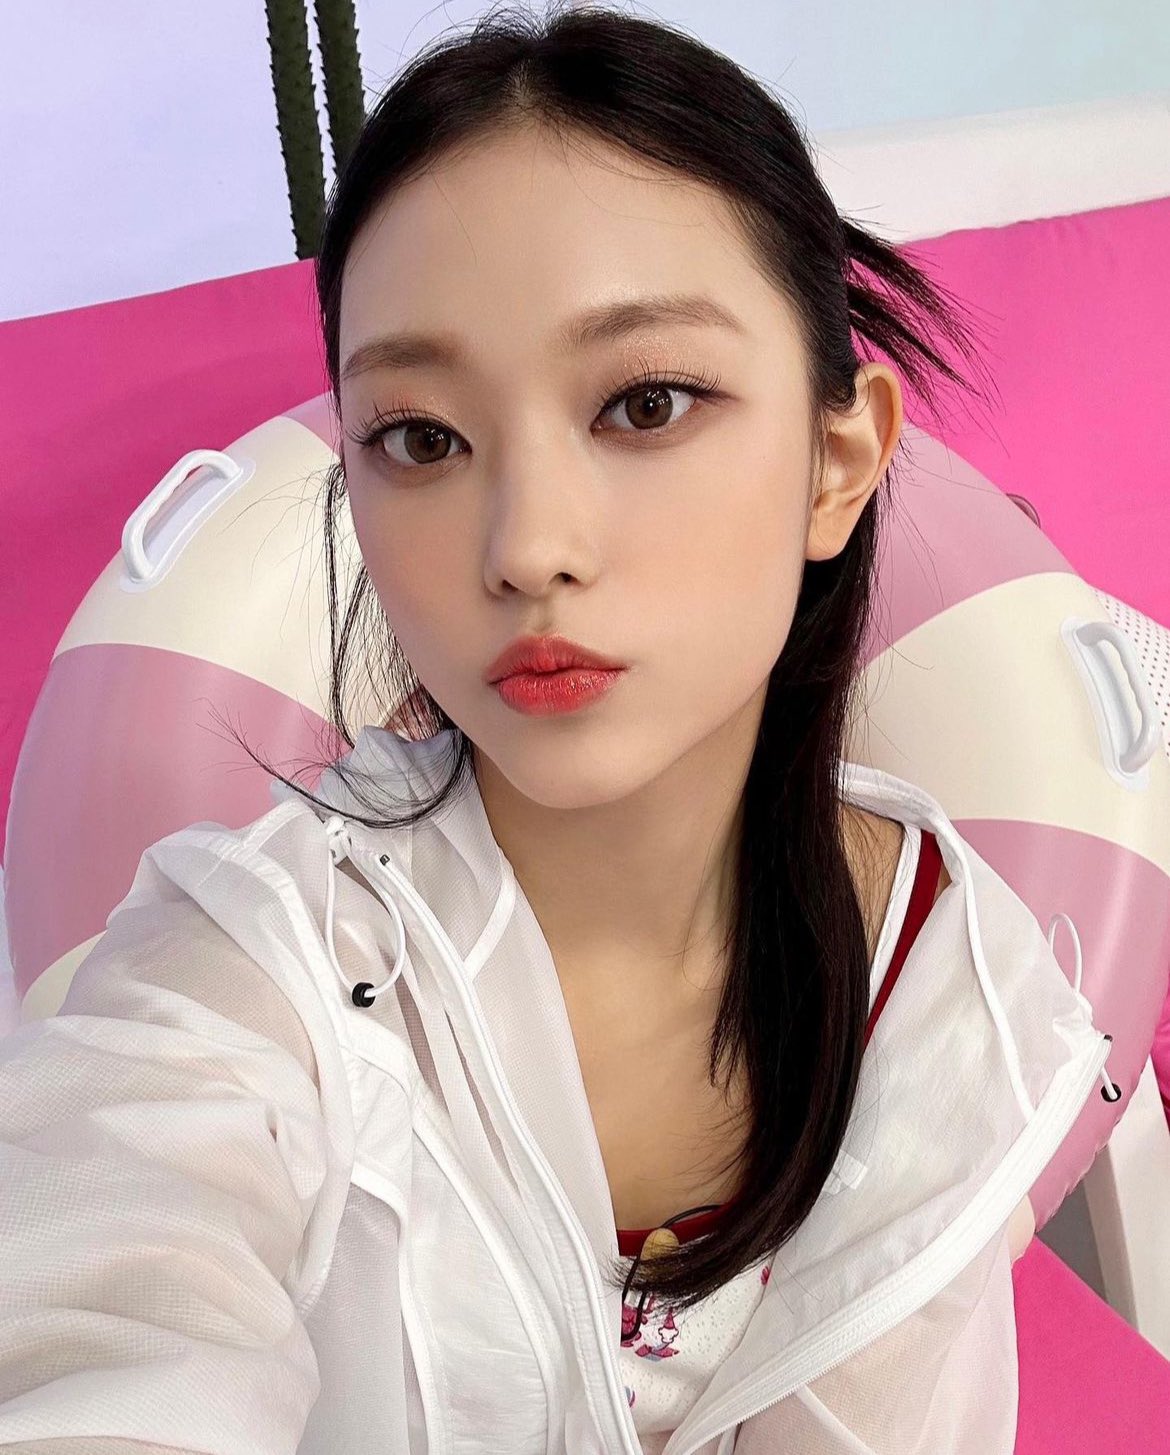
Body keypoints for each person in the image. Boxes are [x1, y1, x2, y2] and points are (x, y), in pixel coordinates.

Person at [0, 5, 1110, 1452]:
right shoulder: (243, 962)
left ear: (837, 462)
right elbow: (106, 1305)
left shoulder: (955, 974)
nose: (526, 549)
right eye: (421, 438)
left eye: (646, 404)